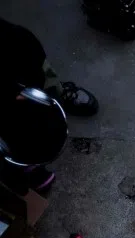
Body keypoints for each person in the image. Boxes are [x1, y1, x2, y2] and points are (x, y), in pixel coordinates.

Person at [0, 18, 99, 192]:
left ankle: (54, 90)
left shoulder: (16, 40)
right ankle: (22, 170)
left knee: (25, 52)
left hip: (17, 58)